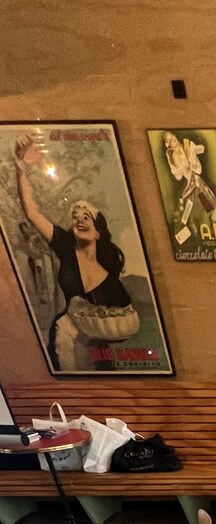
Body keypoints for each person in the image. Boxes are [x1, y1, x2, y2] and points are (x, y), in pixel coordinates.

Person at [13, 132, 135, 371]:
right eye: (75, 216)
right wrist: (22, 166)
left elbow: (125, 325)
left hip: (98, 353)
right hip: (65, 346)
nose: (79, 219)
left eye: (86, 216)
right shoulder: (65, 246)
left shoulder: (111, 280)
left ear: (98, 231)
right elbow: (31, 210)